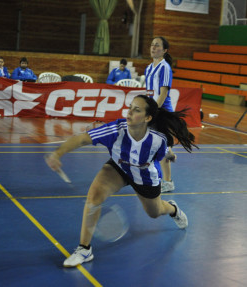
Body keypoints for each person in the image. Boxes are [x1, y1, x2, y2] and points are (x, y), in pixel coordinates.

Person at [45, 95, 197, 268]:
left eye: (137, 110)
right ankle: (84, 249)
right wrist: (57, 154)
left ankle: (173, 208)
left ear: (148, 118)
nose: (129, 112)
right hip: (119, 168)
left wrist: (169, 154)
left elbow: (162, 152)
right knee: (94, 197)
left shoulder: (157, 139)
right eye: (130, 107)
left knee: (155, 212)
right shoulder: (116, 129)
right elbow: (82, 138)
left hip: (144, 175)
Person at [145, 36, 175, 193]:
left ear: (164, 51)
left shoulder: (164, 68)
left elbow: (163, 94)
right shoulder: (148, 68)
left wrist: (153, 112)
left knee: (160, 147)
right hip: (152, 110)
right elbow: (149, 92)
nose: (153, 47)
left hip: (161, 112)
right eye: (152, 45)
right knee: (154, 145)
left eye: (157, 46)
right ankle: (169, 151)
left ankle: (168, 182)